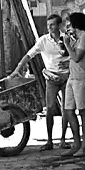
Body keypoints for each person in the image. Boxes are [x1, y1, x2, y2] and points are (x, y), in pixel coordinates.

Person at [11, 13, 71, 151]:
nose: (50, 28)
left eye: (52, 25)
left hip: (67, 77)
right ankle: (49, 141)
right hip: (51, 79)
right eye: (48, 25)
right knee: (49, 108)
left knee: (66, 109)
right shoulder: (43, 41)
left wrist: (69, 63)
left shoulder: (67, 39)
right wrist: (17, 69)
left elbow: (75, 55)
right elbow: (29, 55)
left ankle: (63, 139)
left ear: (59, 25)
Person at [61, 12, 85, 157]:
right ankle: (76, 143)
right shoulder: (79, 38)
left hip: (82, 78)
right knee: (68, 110)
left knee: (83, 110)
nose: (69, 27)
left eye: (70, 24)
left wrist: (67, 44)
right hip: (73, 77)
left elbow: (76, 57)